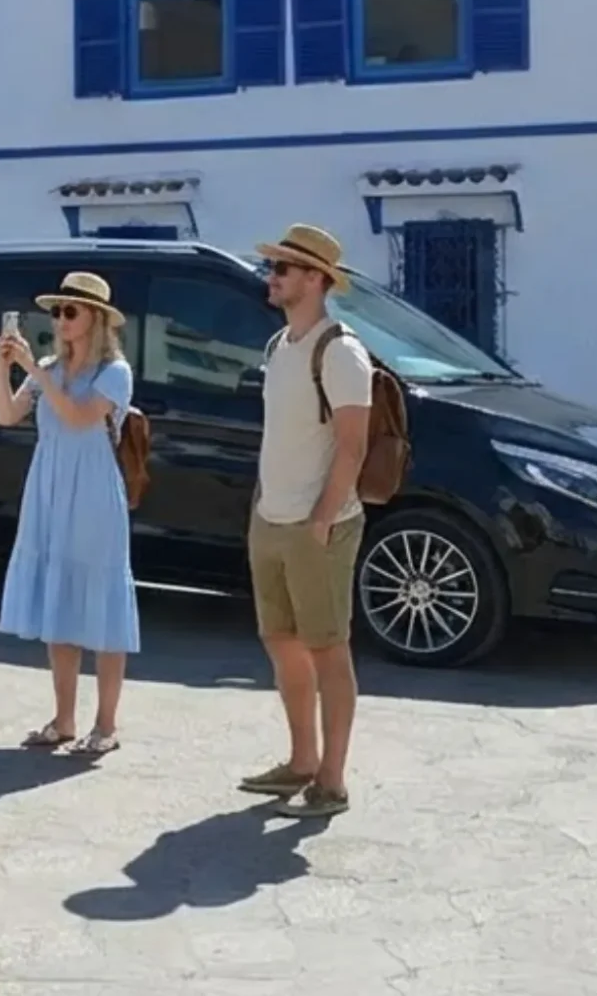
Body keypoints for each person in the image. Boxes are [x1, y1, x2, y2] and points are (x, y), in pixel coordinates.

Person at [241, 223, 372, 820]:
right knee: (281, 641)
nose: (273, 278)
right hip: (271, 516)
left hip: (318, 525)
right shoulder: (280, 347)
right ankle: (300, 761)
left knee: (328, 648)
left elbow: (353, 445)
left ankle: (332, 781)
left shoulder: (340, 351)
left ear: (316, 280)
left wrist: (322, 518)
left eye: (284, 270)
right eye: (274, 269)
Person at [0, 271, 141, 757]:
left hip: (94, 491)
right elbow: (7, 416)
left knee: (102, 603)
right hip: (50, 486)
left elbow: (81, 416)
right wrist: (4, 370)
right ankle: (63, 720)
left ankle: (107, 723)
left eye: (69, 311)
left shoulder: (114, 372)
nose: (60, 319)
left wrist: (34, 372)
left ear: (94, 319)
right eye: (56, 311)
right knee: (58, 602)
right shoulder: (53, 369)